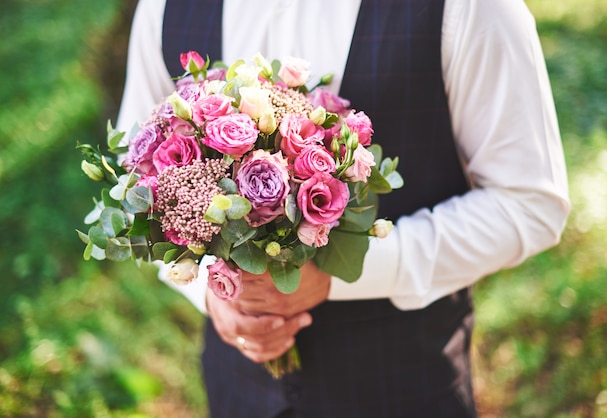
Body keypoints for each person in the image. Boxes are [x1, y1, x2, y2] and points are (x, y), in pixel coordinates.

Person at [116, 0, 570, 416]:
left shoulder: (470, 8)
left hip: (403, 389)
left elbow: (529, 203)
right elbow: (134, 183)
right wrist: (212, 293)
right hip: (237, 392)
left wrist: (345, 271)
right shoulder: (166, 7)